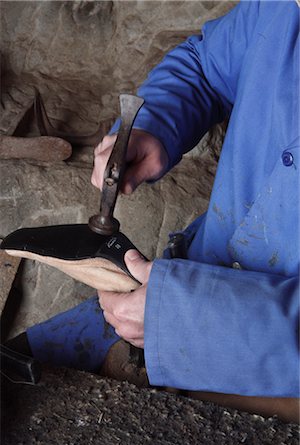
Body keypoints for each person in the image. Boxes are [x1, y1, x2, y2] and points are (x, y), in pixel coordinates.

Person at [6, 0, 299, 422]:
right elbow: (206, 65)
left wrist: (184, 319)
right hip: (192, 274)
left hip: (270, 362)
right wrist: (156, 121)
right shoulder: (284, 8)